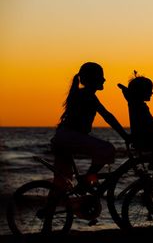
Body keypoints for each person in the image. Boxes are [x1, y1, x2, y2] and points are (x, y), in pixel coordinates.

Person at [51, 62, 129, 191]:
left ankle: (49, 209)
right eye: (101, 76)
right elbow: (107, 116)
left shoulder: (85, 94)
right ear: (93, 79)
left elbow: (106, 115)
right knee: (107, 149)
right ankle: (87, 181)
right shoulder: (86, 95)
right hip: (69, 137)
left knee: (61, 184)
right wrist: (125, 135)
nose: (104, 79)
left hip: (64, 137)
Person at [120, 72, 153, 169]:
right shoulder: (137, 105)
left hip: (143, 136)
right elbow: (147, 124)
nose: (152, 93)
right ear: (141, 92)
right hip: (145, 138)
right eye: (149, 90)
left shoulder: (135, 103)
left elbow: (129, 95)